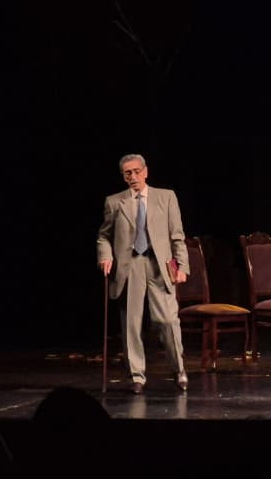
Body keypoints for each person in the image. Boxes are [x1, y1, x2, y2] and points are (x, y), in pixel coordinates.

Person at [96, 153, 189, 394]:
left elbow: (177, 235)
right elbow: (104, 236)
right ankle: (137, 375)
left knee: (167, 320)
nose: (133, 176)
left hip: (159, 266)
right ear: (123, 176)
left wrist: (182, 267)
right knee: (131, 324)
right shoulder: (114, 202)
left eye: (137, 171)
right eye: (128, 173)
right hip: (130, 266)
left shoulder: (166, 197)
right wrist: (105, 255)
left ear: (146, 171)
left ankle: (179, 369)